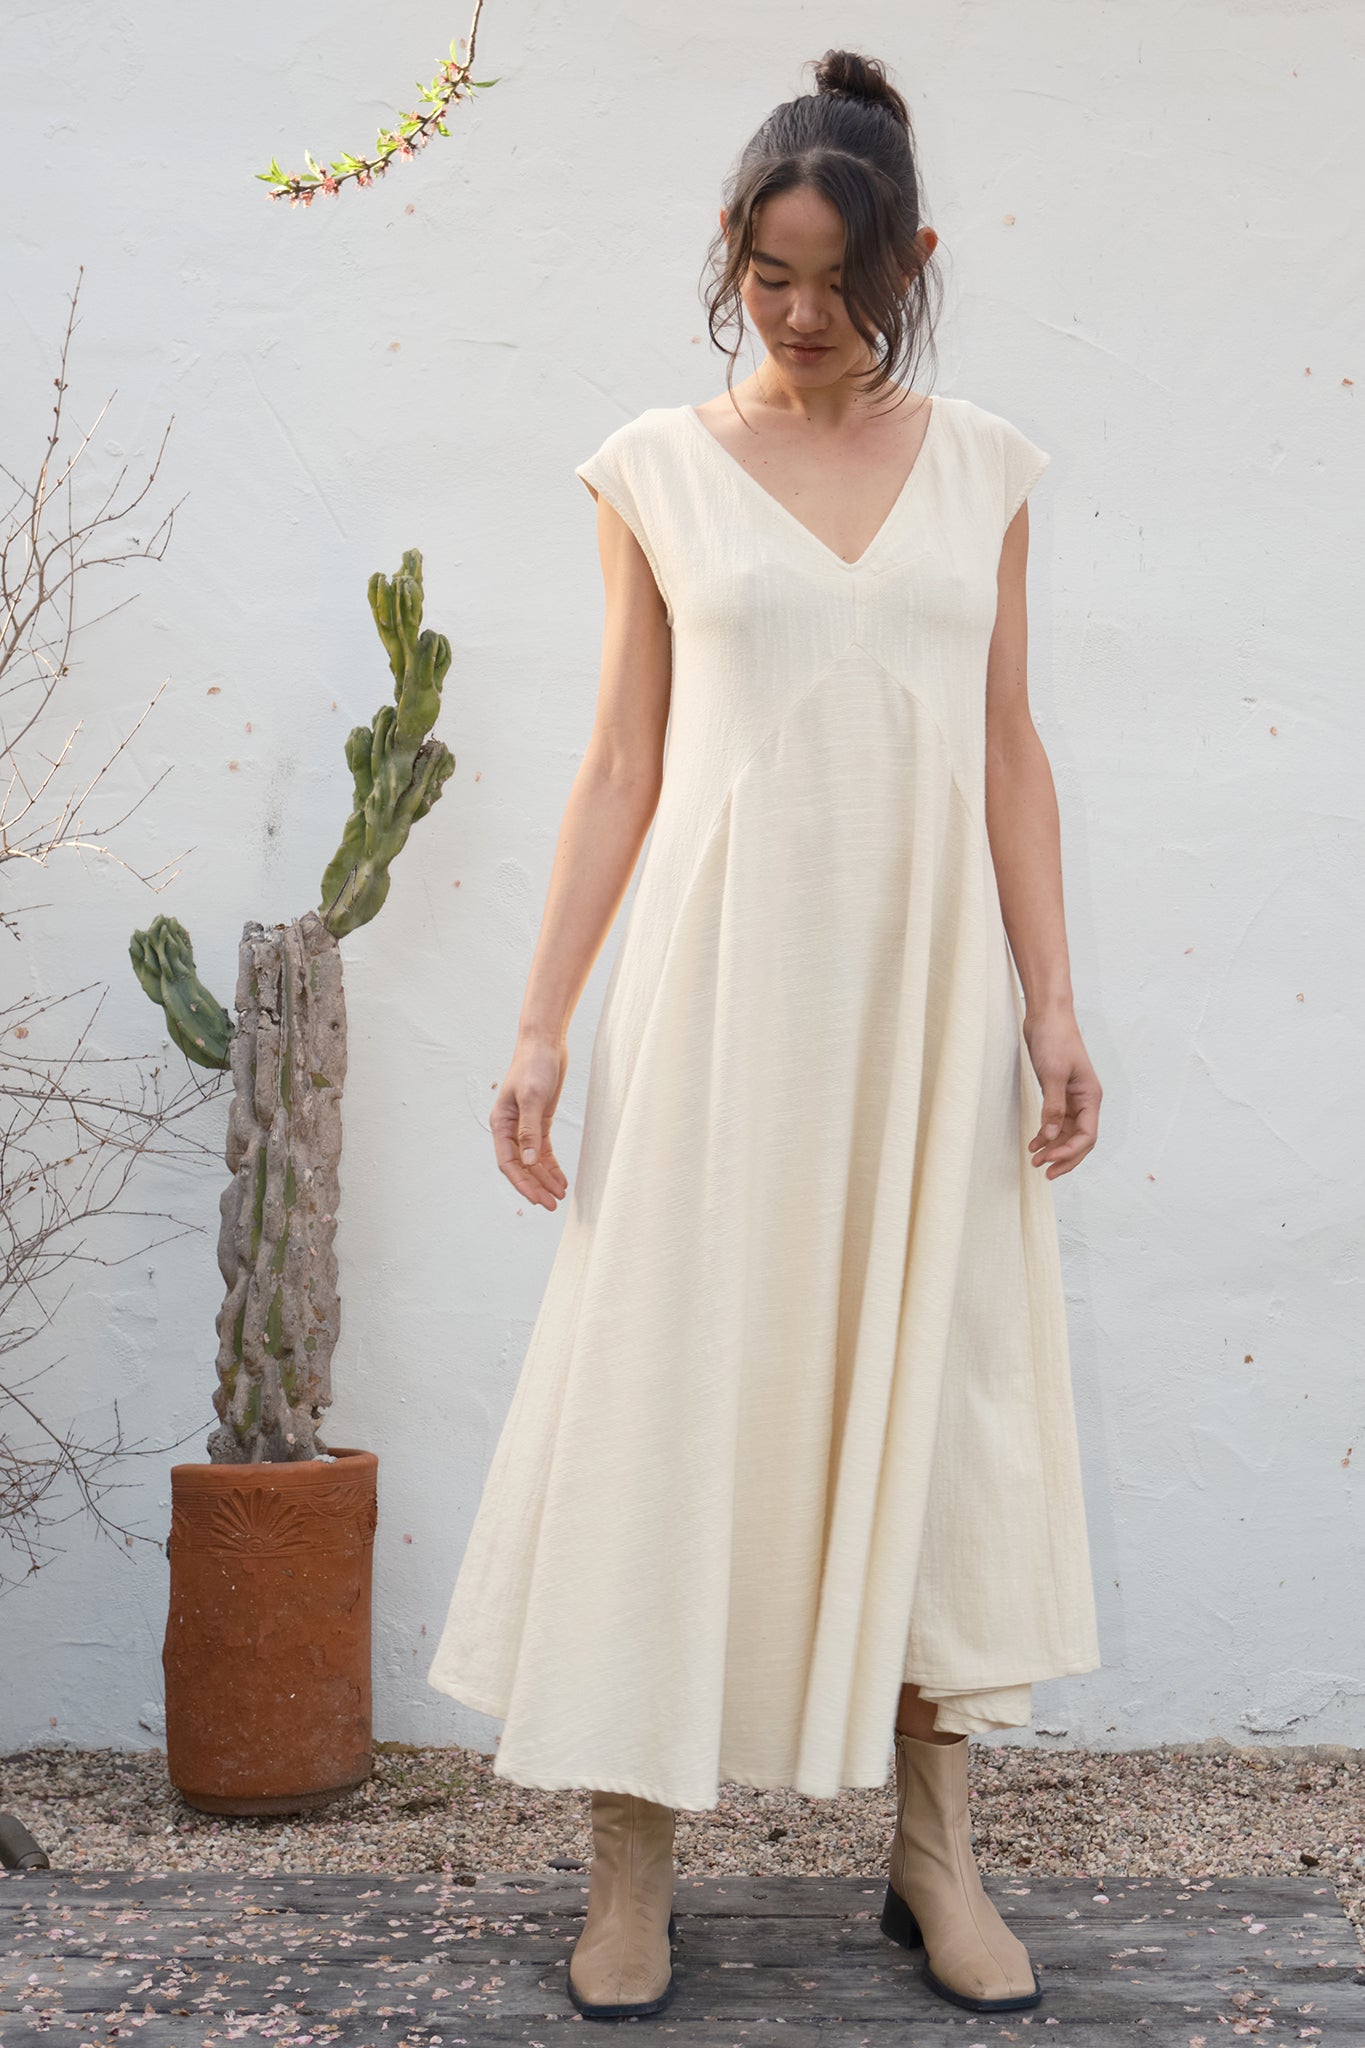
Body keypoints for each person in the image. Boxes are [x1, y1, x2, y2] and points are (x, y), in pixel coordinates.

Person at [428, 46, 1103, 2023]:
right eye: (763, 270)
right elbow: (623, 758)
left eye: (831, 277)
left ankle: (931, 1854)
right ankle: (628, 1856)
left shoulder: (982, 468)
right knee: (668, 1393)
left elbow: (1007, 748)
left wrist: (1052, 999)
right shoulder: (654, 463)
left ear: (904, 260)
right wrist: (540, 1024)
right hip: (712, 1009)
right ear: (729, 252)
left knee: (940, 1406)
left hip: (917, 1011)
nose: (793, 315)